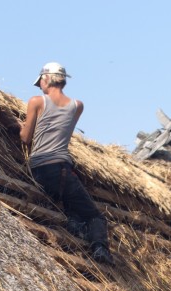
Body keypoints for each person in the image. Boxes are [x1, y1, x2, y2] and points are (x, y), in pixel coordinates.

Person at [20, 62, 114, 265]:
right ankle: (99, 247)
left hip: (39, 169)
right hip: (62, 169)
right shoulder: (77, 106)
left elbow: (26, 138)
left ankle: (76, 224)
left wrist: (18, 125)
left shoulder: (36, 101)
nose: (40, 86)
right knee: (95, 216)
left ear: (46, 79)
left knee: (72, 204)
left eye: (40, 82)